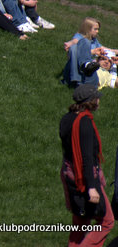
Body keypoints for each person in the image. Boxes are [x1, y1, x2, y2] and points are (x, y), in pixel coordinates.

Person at [59, 84, 114, 246]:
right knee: (106, 221)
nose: (99, 101)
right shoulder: (85, 123)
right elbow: (87, 158)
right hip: (85, 179)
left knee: (80, 223)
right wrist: (91, 187)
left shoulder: (66, 119)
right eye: (97, 98)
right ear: (90, 101)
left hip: (70, 174)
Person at [63, 17, 108, 87]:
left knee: (76, 48)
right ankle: (83, 69)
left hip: (85, 75)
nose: (97, 31)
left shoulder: (94, 40)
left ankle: (85, 68)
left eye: (98, 29)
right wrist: (69, 43)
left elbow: (105, 49)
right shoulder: (80, 38)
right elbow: (74, 41)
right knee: (75, 47)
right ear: (88, 29)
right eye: (95, 29)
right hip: (73, 72)